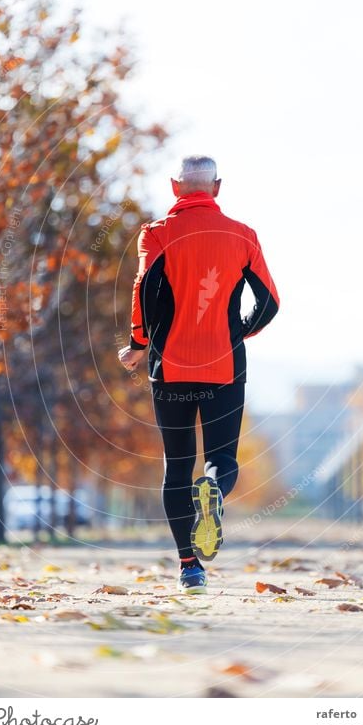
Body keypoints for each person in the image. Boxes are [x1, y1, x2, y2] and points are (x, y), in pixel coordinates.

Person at [119, 155, 279, 593]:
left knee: (176, 465)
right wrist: (238, 331)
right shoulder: (243, 236)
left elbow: (143, 292)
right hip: (224, 366)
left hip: (169, 368)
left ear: (175, 187)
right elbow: (269, 302)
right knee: (222, 460)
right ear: (217, 187)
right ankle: (212, 487)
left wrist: (138, 345)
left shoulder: (156, 234)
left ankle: (190, 568)